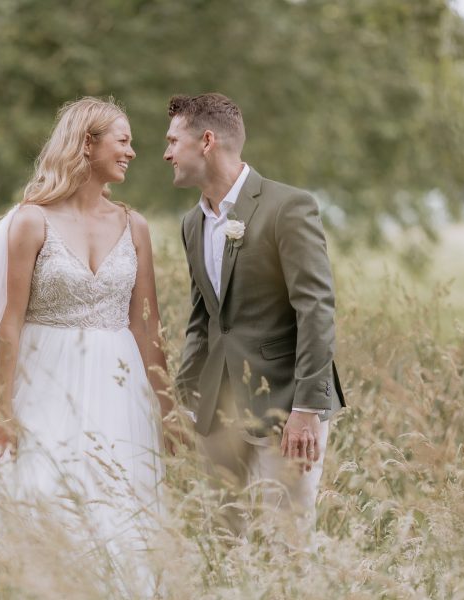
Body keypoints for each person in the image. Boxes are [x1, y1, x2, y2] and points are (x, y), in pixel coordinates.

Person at [0, 98, 170, 590]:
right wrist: (1, 410)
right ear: (88, 143)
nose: (133, 151)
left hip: (117, 386)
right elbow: (9, 322)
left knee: (117, 508)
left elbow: (147, 326)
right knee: (40, 496)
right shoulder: (31, 221)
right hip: (44, 379)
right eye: (123, 141)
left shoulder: (135, 226)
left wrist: (167, 408)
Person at [164, 93, 345, 539]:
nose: (166, 153)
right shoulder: (192, 223)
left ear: (206, 141)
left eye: (172, 141)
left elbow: (315, 308)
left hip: (285, 410)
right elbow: (203, 319)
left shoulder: (288, 206)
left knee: (286, 549)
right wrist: (186, 402)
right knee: (221, 544)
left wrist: (306, 409)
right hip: (217, 415)